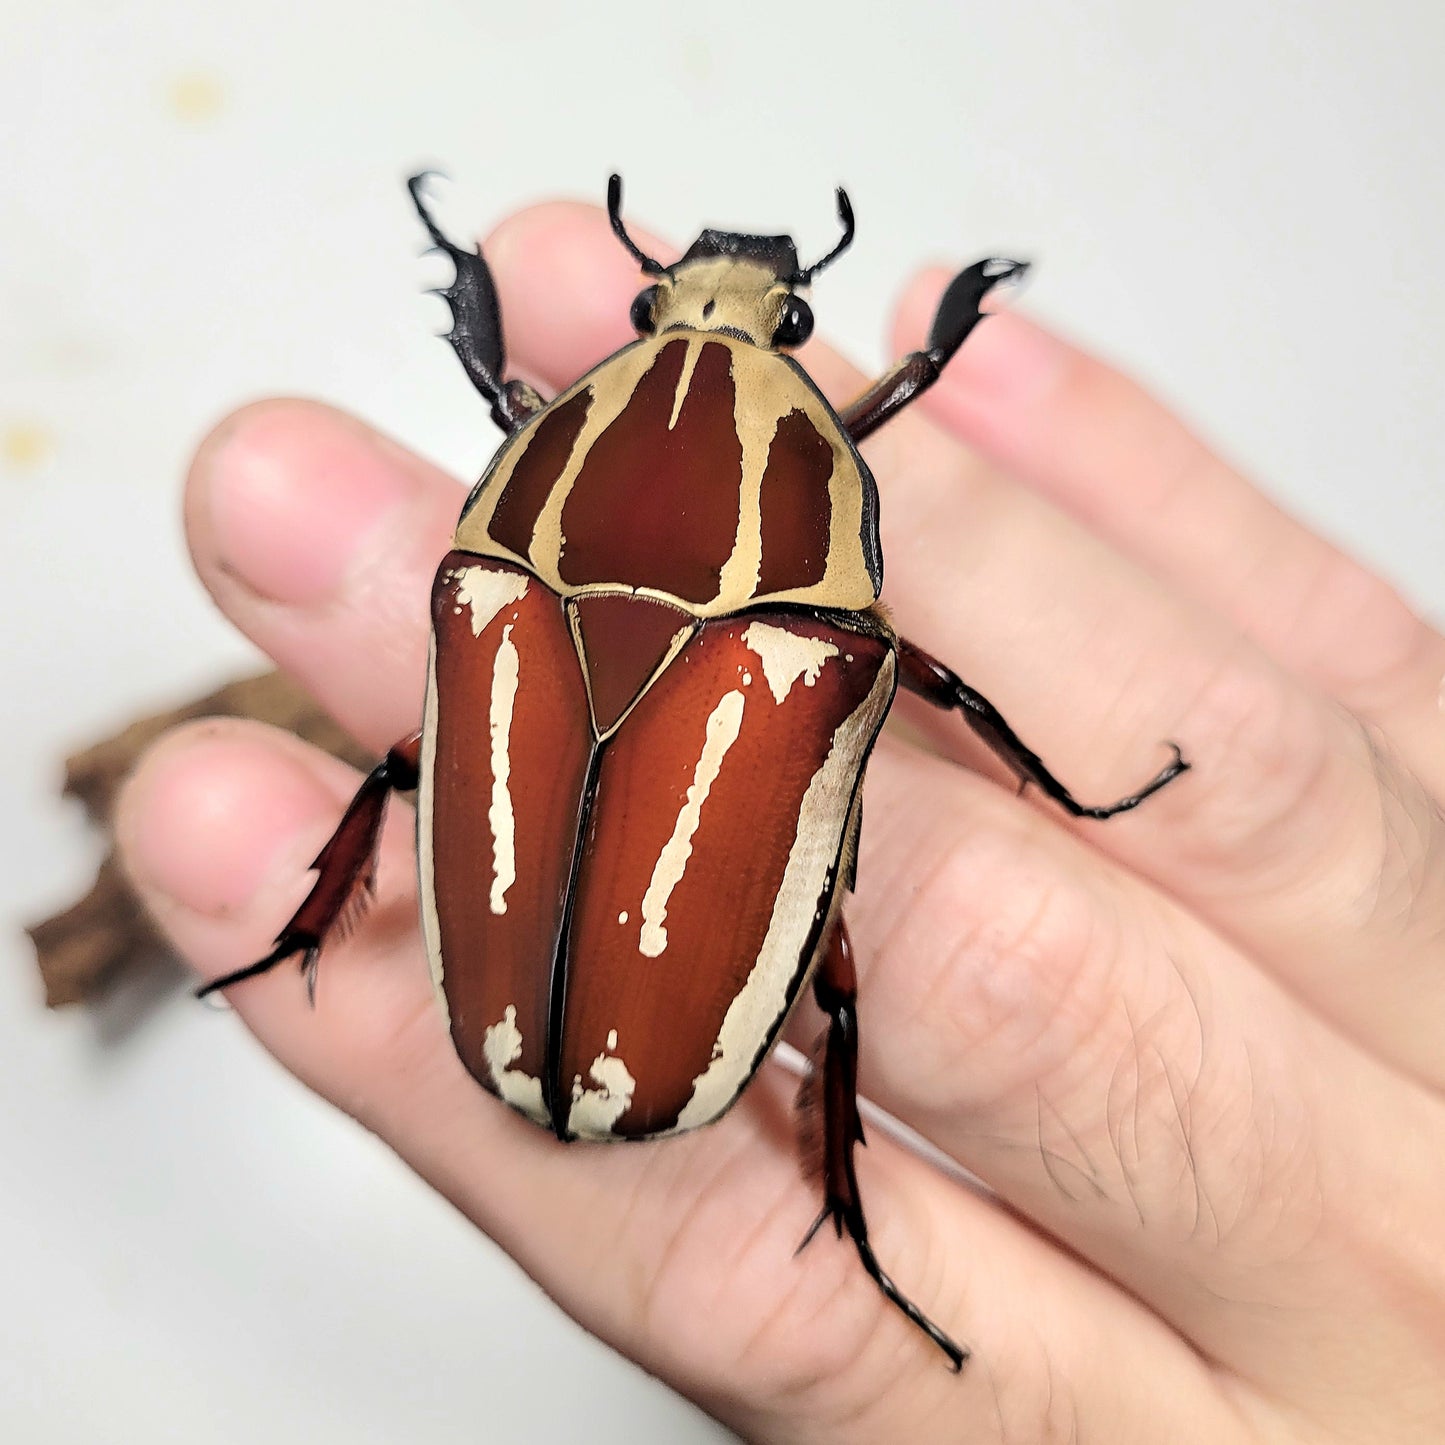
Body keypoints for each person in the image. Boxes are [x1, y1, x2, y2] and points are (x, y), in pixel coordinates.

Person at [116, 199, 1445, 1442]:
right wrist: (944, 333)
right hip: (634, 1013)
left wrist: (459, 268)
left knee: (409, 764)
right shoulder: (814, 613)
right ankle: (842, 1226)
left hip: (587, 1014)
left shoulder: (497, 568)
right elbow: (925, 498)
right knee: (848, 981)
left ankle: (303, 948)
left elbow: (496, 387)